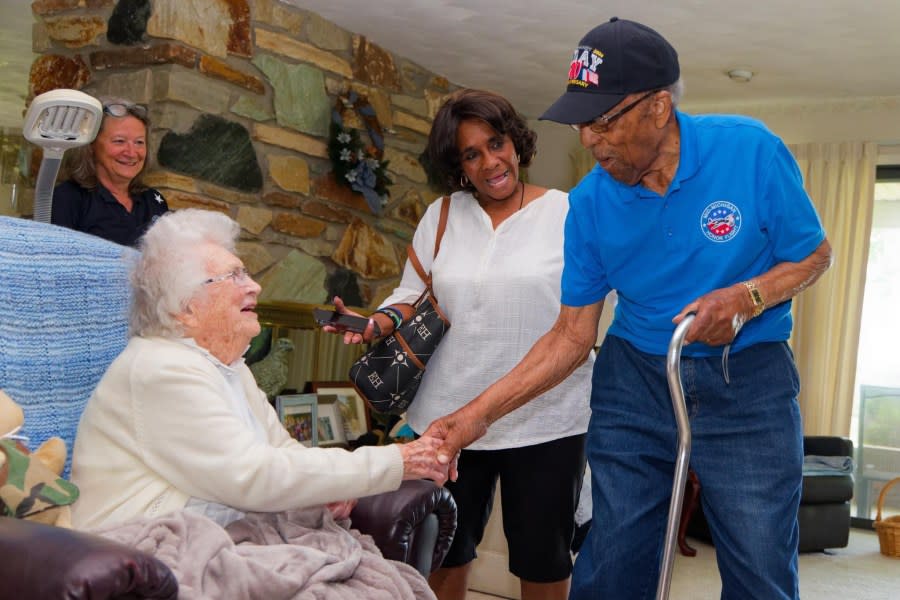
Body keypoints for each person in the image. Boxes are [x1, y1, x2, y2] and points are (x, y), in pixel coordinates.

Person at [422, 18, 833, 600]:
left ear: (659, 106)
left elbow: (813, 254)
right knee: (613, 558)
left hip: (749, 377)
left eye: (603, 120)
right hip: (637, 376)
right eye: (581, 123)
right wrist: (472, 418)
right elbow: (570, 334)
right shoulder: (590, 204)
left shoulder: (751, 151)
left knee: (759, 559)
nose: (589, 139)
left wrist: (749, 297)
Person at [328, 88, 593, 600]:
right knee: (443, 551)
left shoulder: (568, 213)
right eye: (471, 154)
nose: (490, 162)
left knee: (543, 560)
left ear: (516, 142)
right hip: (446, 421)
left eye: (496, 144)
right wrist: (376, 323)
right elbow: (414, 290)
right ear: (459, 166)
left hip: (545, 418)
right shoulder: (443, 215)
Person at [70, 208, 448, 531]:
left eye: (246, 273)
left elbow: (280, 450)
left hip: (205, 534)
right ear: (184, 307)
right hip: (140, 551)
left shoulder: (227, 366)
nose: (255, 285)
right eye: (233, 277)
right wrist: (395, 461)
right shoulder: (160, 369)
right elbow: (252, 475)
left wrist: (320, 493)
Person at [51, 96, 168, 247]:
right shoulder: (68, 198)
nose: (132, 153)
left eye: (139, 142)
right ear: (91, 145)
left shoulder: (154, 200)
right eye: (119, 141)